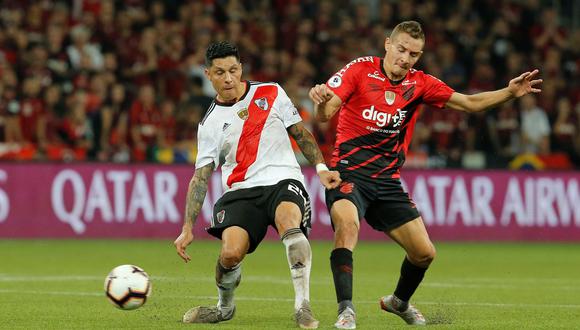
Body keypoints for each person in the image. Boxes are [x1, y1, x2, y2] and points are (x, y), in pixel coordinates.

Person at [308, 21, 542, 329]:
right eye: (401, 49)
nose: (405, 59)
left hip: (387, 181)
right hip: (348, 174)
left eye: (414, 54)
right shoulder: (359, 70)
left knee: (424, 253)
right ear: (387, 44)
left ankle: (398, 302)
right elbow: (325, 115)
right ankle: (346, 311)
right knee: (347, 227)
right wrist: (322, 103)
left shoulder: (420, 84)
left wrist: (510, 93)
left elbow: (469, 103)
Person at [174, 41, 341, 329]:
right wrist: (187, 227)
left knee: (290, 221)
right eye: (219, 72)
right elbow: (201, 176)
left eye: (233, 70)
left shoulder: (271, 92)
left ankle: (303, 306)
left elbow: (300, 134)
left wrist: (321, 168)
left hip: (283, 179)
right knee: (230, 254)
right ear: (208, 74)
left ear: (241, 69)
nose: (228, 78)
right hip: (240, 191)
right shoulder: (209, 123)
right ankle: (224, 307)